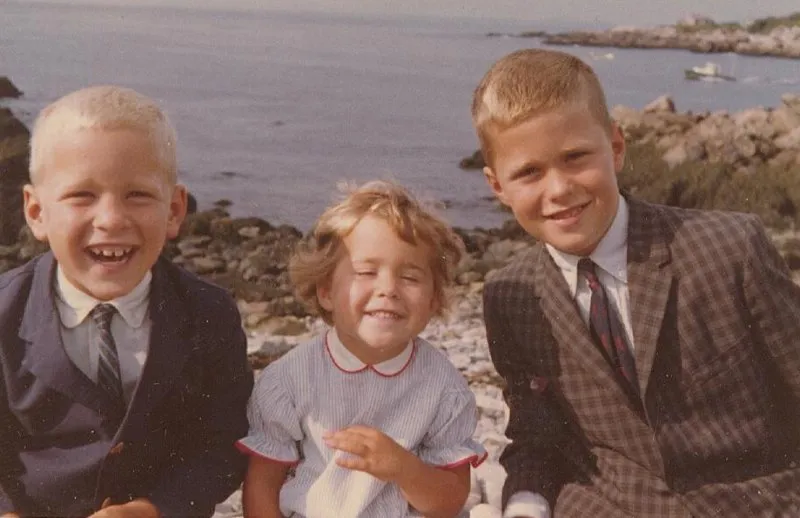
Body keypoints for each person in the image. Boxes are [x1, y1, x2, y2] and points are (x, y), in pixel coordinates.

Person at [471, 48, 800, 518]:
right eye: (529, 172)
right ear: (498, 186)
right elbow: (536, 436)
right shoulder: (510, 296)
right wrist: (526, 503)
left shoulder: (730, 247)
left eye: (575, 157)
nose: (559, 188)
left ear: (617, 147)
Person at [0, 85, 253, 518]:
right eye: (82, 195)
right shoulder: (4, 313)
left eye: (137, 194)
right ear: (36, 211)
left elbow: (223, 442)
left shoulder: (209, 313)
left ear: (175, 210)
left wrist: (154, 508)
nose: (112, 218)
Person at [237, 180, 487, 518]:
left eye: (410, 277)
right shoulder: (289, 380)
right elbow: (263, 486)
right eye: (366, 272)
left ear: (433, 299)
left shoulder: (444, 389)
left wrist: (403, 468)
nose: (388, 289)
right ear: (326, 291)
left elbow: (449, 502)